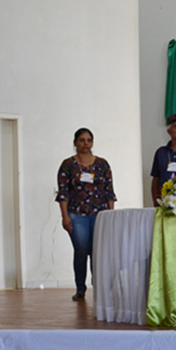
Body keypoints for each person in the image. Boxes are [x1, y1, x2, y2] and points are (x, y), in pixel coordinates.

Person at [56, 128, 116, 301]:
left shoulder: (102, 164)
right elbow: (63, 193)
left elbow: (109, 191)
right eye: (82, 140)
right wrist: (65, 215)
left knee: (98, 252)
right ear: (75, 142)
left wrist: (110, 215)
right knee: (81, 250)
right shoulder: (68, 165)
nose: (85, 143)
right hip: (76, 214)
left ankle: (99, 286)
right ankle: (80, 288)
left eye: (89, 140)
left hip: (100, 214)